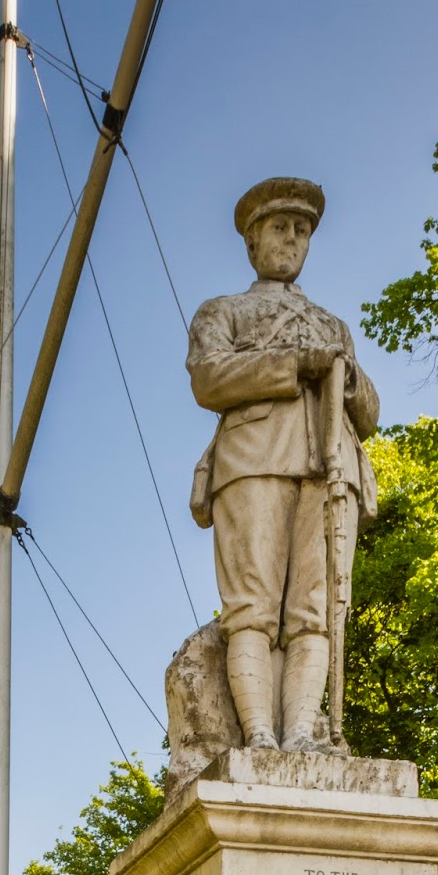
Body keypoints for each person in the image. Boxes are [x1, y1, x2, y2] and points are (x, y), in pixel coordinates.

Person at [186, 177, 379, 751]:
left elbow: (368, 411)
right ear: (252, 242)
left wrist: (344, 376)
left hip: (331, 465)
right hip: (254, 458)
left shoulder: (334, 324)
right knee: (252, 605)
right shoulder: (223, 311)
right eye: (280, 228)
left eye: (302, 230)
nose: (292, 239)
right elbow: (208, 376)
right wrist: (295, 362)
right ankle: (260, 735)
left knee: (315, 612)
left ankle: (301, 732)